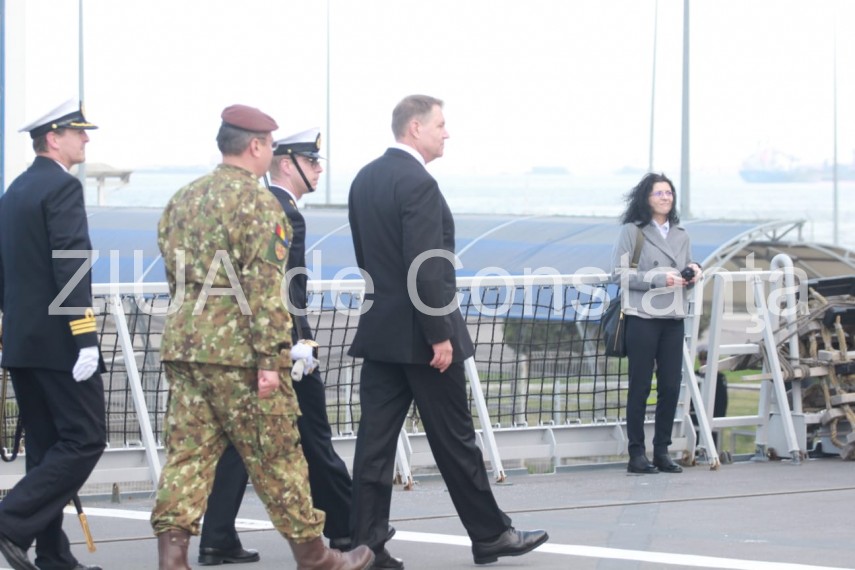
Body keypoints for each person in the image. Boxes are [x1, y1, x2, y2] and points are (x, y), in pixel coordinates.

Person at [150, 104, 373, 570]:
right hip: (240, 355)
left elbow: (176, 277)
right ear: (255, 146)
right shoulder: (259, 203)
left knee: (187, 458)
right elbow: (266, 289)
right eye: (270, 145)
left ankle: (172, 558)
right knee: (279, 455)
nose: (272, 153)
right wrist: (271, 360)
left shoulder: (183, 199)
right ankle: (315, 556)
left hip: (186, 349)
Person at [346, 94, 549, 567]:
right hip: (423, 339)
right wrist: (438, 332)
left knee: (373, 447)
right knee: (455, 440)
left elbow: (366, 257)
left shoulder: (364, 179)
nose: (447, 132)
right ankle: (491, 536)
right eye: (440, 124)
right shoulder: (419, 183)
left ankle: (365, 547)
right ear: (415, 128)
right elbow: (427, 264)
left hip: (382, 335)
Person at [198, 128, 365, 565]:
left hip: (249, 344)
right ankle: (347, 527)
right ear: (287, 164)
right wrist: (294, 344)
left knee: (239, 440)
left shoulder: (254, 204)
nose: (319, 169)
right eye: (312, 162)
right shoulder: (284, 212)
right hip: (283, 349)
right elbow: (283, 288)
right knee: (314, 437)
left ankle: (217, 536)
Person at [0, 99, 106, 570]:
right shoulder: (62, 187)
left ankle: (54, 556)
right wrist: (84, 337)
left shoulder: (15, 190)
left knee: (45, 449)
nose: (85, 138)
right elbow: (71, 263)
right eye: (77, 132)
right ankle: (9, 521)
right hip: (61, 344)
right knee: (85, 438)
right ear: (53, 138)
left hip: (23, 342)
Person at [611, 172, 701, 475]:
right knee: (640, 386)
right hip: (642, 316)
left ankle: (662, 451)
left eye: (669, 193)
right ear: (646, 198)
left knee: (671, 386)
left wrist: (694, 271)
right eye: (659, 193)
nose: (665, 198)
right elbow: (619, 274)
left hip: (674, 316)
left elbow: (686, 269)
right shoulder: (633, 231)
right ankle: (636, 454)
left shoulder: (681, 234)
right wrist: (660, 279)